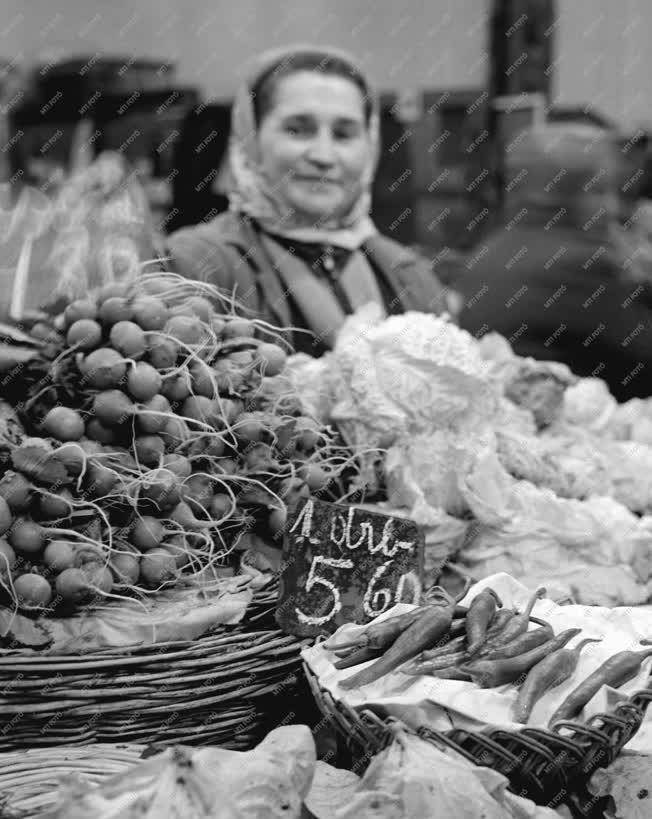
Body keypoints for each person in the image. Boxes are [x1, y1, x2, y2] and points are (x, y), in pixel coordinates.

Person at [167, 45, 449, 356]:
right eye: (298, 130)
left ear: (370, 146)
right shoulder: (196, 266)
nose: (323, 156)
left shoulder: (411, 275)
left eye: (344, 134)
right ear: (251, 140)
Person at [455, 123, 652, 402]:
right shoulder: (577, 265)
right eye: (599, 189)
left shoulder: (495, 247)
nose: (612, 207)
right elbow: (642, 360)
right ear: (567, 194)